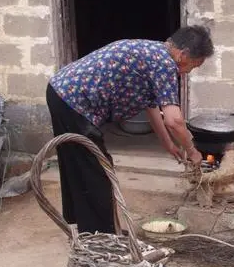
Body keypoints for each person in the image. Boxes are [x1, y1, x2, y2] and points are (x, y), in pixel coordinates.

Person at [46, 25, 214, 234]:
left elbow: (151, 106)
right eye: (194, 65)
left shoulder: (155, 53)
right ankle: (102, 240)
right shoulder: (164, 63)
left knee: (85, 169)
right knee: (97, 173)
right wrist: (192, 151)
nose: (190, 71)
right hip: (72, 100)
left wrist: (167, 143)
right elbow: (174, 120)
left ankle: (98, 232)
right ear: (183, 55)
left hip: (62, 93)